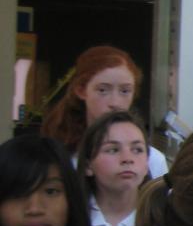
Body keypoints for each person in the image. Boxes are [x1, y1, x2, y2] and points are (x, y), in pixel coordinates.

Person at [41, 46, 168, 180]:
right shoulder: (57, 157)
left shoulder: (153, 161)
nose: (115, 102)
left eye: (125, 91)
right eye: (102, 90)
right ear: (81, 91)